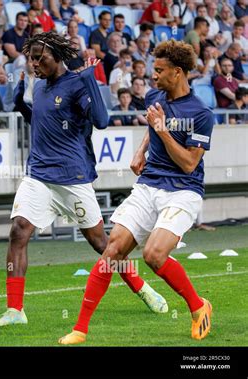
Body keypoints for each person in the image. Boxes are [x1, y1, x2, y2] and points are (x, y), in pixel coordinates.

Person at [0, 32, 167, 328]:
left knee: (102, 244)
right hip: (39, 175)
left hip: (73, 177)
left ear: (57, 56)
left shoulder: (77, 83)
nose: (33, 63)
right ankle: (15, 310)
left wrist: (90, 79)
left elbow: (102, 121)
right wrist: (20, 102)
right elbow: (43, 120)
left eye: (39, 58)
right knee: (18, 231)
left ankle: (142, 288)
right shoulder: (40, 85)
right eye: (30, 58)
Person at [59, 40, 214, 345]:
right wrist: (140, 151)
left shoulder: (202, 114)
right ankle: (80, 329)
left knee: (154, 255)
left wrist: (162, 130)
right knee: (112, 251)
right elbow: (151, 127)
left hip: (183, 190)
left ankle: (198, 306)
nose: (153, 76)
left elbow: (187, 163)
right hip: (148, 185)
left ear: (178, 73)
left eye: (160, 71)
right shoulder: (155, 96)